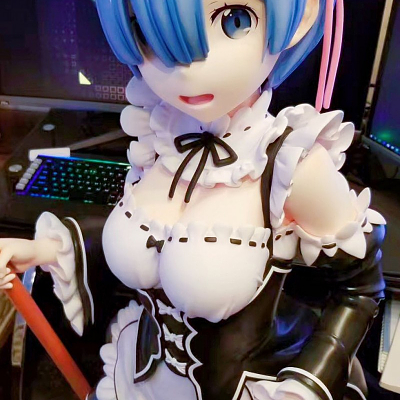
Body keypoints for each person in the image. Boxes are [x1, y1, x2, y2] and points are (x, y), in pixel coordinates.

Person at [0, 0, 387, 399]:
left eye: (235, 21)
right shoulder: (160, 135)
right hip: (138, 381)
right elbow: (154, 243)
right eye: (146, 33)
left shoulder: (292, 162)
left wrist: (309, 383)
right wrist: (45, 250)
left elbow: (360, 289)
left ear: (301, 17)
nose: (186, 69)